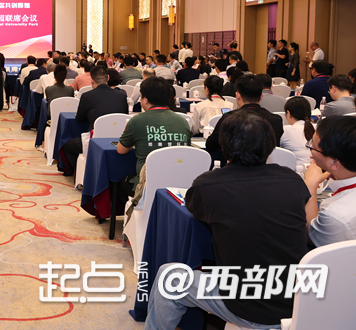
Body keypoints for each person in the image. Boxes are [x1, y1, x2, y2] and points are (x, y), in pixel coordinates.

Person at [145, 110, 309, 330]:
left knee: (169, 277)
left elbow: (194, 209)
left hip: (248, 308)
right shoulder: (292, 179)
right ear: (271, 145)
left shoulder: (208, 185)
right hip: (296, 299)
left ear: (224, 145)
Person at [117, 77, 191, 204]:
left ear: (145, 99)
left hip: (147, 185)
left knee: (121, 183)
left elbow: (121, 150)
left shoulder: (137, 120)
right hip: (179, 184)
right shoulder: (183, 121)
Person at [304, 116, 356, 247]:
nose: (311, 152)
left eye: (313, 147)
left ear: (334, 162)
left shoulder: (334, 215)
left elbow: (311, 234)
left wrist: (310, 186)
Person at [206, 74, 284, 158]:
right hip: (265, 164)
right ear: (261, 96)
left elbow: (211, 145)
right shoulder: (276, 120)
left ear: (238, 96)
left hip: (235, 165)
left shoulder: (228, 118)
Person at [280, 96, 315, 168]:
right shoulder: (319, 129)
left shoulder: (285, 130)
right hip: (317, 170)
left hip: (295, 171)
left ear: (288, 113)